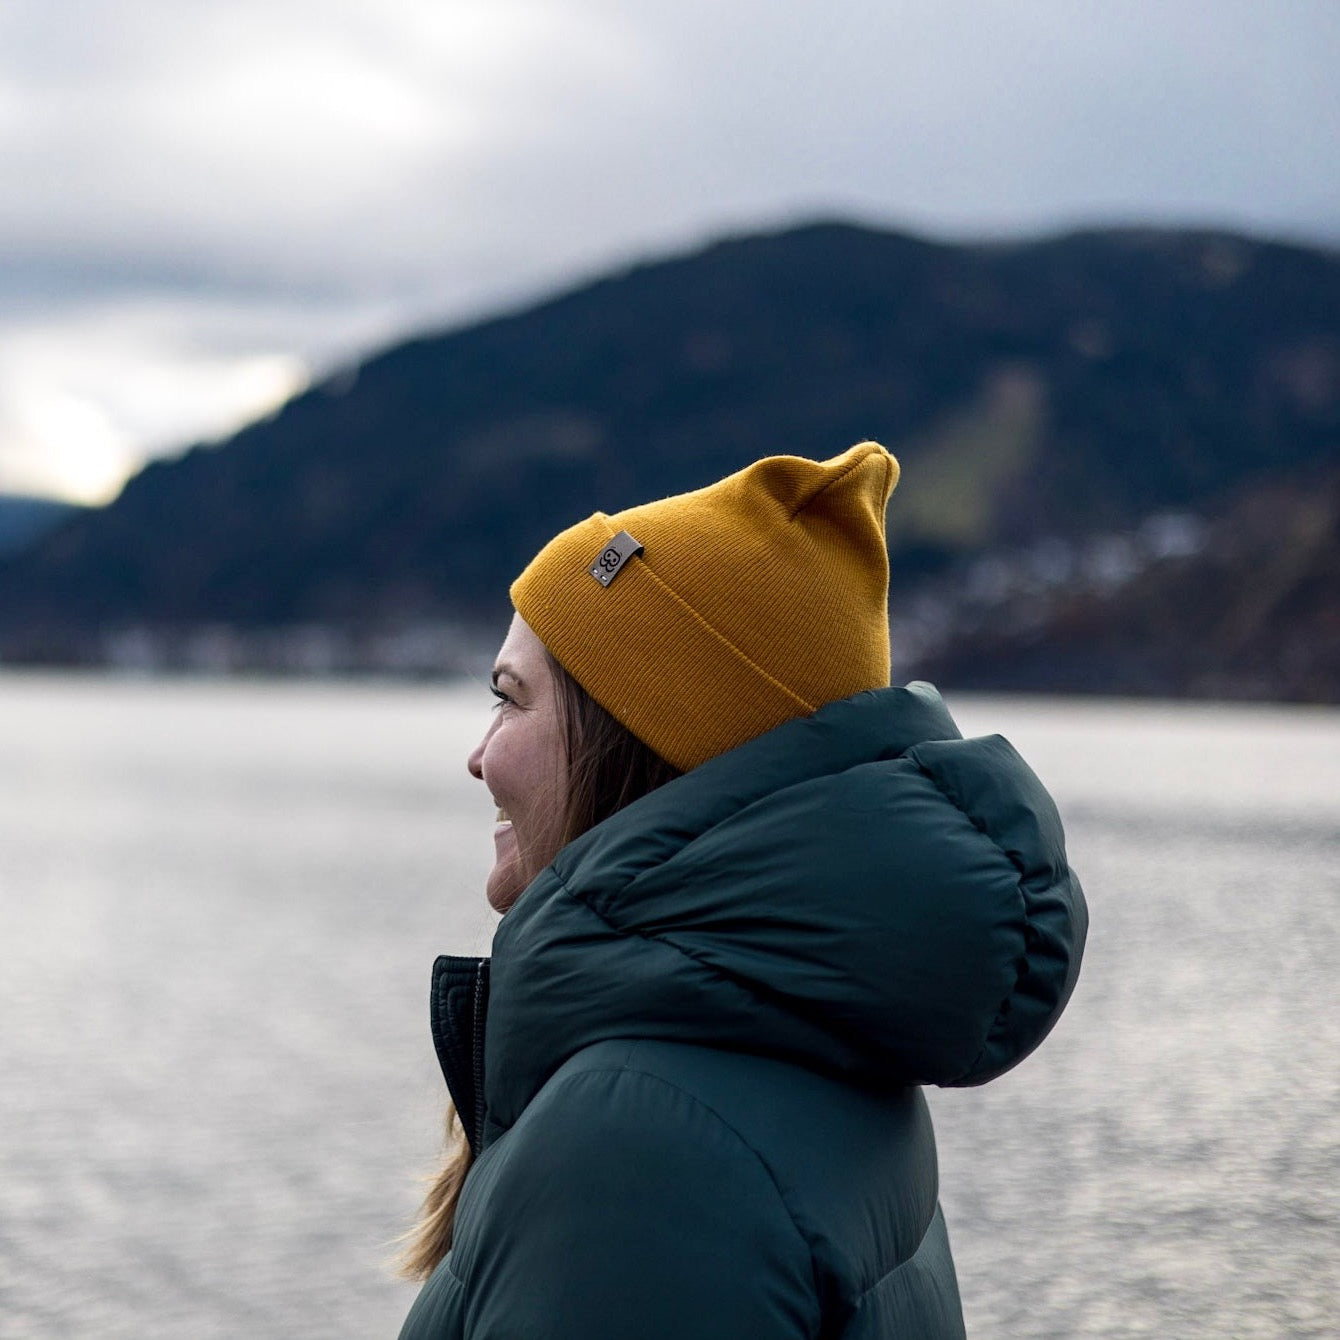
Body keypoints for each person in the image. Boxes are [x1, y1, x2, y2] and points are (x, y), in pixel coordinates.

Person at [398, 442, 1087, 1339]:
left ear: (633, 746)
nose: (479, 755)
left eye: (510, 698)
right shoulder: (808, 1056)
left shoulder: (637, 1150)